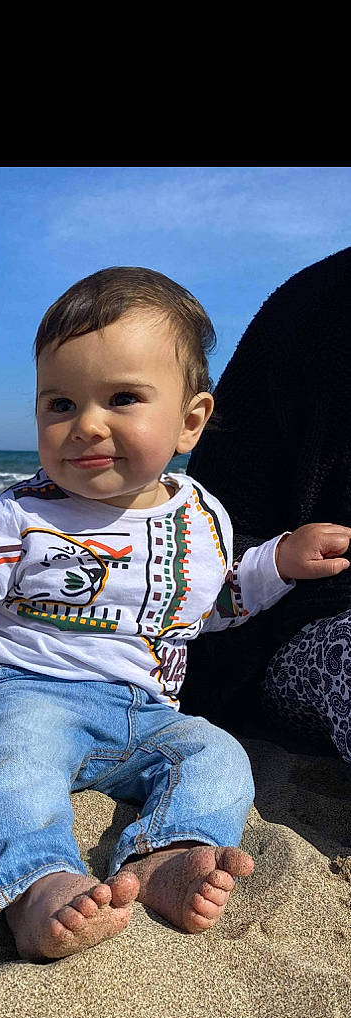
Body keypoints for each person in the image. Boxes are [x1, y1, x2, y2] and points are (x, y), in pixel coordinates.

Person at [0, 267, 351, 962]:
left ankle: (165, 853)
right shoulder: (23, 514)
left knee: (220, 756)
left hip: (147, 710)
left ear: (190, 421)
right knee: (13, 772)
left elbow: (211, 607)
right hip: (30, 691)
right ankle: (36, 885)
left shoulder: (199, 516)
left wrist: (279, 562)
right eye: (59, 404)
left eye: (121, 398)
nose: (86, 424)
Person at [182, 248, 351, 763]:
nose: (90, 429)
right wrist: (279, 560)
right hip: (305, 625)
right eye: (59, 405)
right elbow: (212, 579)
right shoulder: (316, 305)